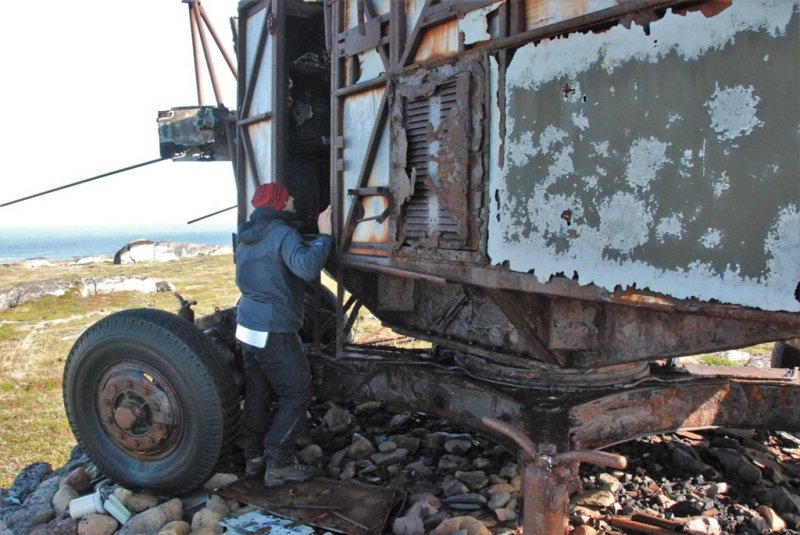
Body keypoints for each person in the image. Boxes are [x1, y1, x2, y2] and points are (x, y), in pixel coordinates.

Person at [234, 181, 333, 487]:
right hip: (273, 328)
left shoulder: (247, 234)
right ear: (278, 204)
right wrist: (324, 233)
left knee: (259, 390)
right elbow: (306, 267)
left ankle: (252, 454)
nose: (293, 200)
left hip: (247, 324)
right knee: (298, 391)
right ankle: (279, 460)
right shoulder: (281, 233)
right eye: (288, 198)